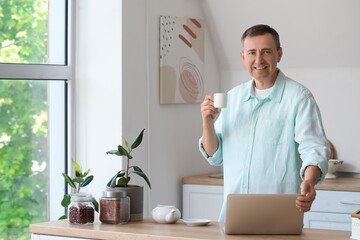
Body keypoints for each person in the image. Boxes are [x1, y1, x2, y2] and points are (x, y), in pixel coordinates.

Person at [199, 24, 330, 222]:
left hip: (280, 215)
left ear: (279, 54)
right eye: (252, 52)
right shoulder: (232, 98)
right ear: (243, 57)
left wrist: (310, 181)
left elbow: (314, 149)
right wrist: (207, 124)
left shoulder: (299, 98)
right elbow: (215, 156)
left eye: (266, 52)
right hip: (234, 216)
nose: (258, 60)